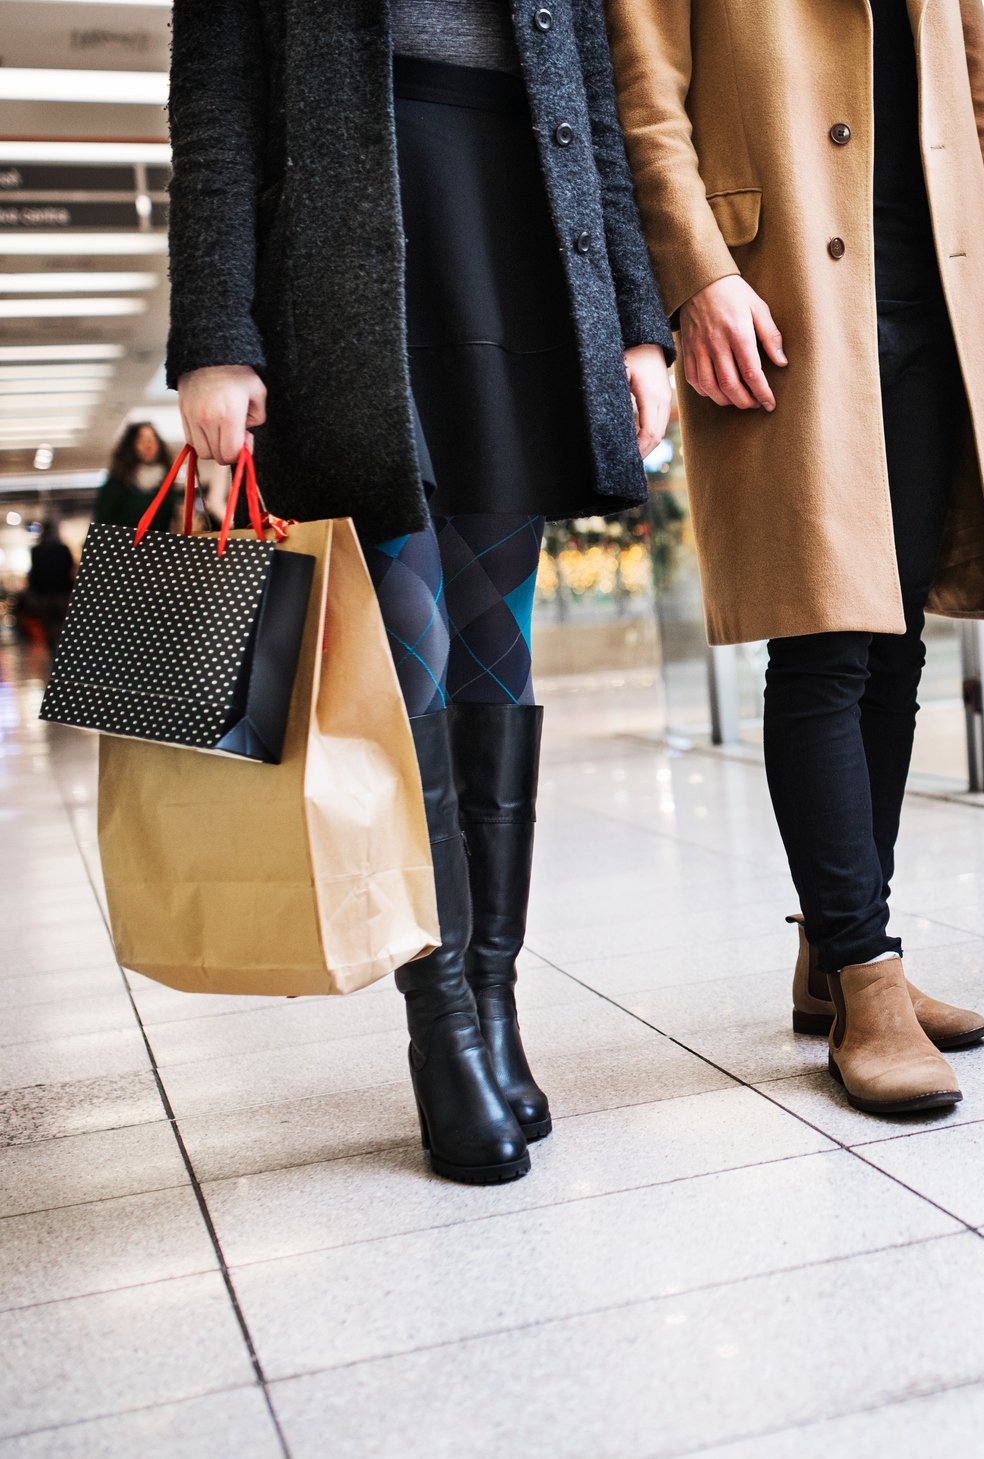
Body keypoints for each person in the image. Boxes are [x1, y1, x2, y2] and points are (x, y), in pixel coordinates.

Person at [167, 0, 674, 1184]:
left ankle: (494, 1000)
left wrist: (636, 322)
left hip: (526, 249)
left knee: (500, 650)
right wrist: (213, 334)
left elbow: (591, 99)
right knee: (413, 665)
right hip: (353, 275)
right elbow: (218, 108)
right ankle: (440, 1021)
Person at [606, 0, 984, 1113]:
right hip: (782, 286)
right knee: (824, 643)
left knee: (894, 643)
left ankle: (835, 952)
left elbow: (978, 99)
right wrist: (693, 273)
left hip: (932, 291)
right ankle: (867, 973)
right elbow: (645, 89)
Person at [89, 422, 174, 532]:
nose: (149, 444)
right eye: (142, 439)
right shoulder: (116, 483)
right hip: (123, 547)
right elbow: (102, 524)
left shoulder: (166, 483)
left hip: (159, 547)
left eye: (153, 438)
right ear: (131, 445)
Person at [23, 521, 76, 656]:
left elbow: (34, 572)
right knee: (60, 620)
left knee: (48, 621)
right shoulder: (62, 549)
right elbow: (70, 567)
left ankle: (54, 647)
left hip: (44, 592)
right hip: (60, 590)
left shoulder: (36, 550)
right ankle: (61, 646)